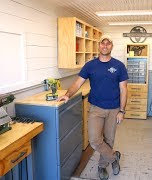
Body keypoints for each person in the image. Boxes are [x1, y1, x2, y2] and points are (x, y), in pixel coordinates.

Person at [57, 34, 128, 180]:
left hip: (114, 109)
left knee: (109, 139)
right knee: (95, 140)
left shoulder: (119, 66)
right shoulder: (90, 65)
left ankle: (102, 166)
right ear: (99, 45)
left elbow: (124, 89)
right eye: (103, 43)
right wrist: (68, 94)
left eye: (108, 44)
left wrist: (122, 110)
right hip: (96, 108)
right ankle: (114, 157)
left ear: (112, 46)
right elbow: (77, 83)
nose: (105, 46)